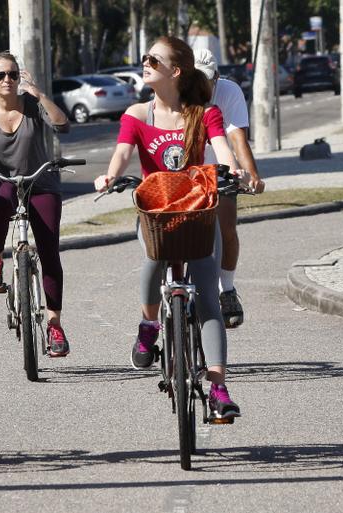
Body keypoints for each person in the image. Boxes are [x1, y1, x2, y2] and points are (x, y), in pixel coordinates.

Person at [93, 36, 247, 419]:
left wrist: (231, 171)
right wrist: (109, 177)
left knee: (208, 296)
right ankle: (149, 326)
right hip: (156, 214)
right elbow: (122, 154)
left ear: (175, 72)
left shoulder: (203, 112)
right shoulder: (137, 114)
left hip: (197, 211)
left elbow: (221, 149)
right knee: (151, 263)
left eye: (153, 60)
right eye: (145, 59)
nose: (144, 64)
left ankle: (218, 388)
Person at [0, 52, 72, 357]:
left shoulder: (33, 106)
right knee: (0, 201)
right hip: (3, 180)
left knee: (49, 252)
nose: (7, 80)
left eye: (13, 74)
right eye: (0, 76)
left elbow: (62, 125)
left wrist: (39, 94)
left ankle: (55, 325)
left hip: (41, 182)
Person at [194, 49, 266, 329]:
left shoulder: (228, 93)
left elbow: (236, 138)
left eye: (206, 81)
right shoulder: (174, 93)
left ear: (217, 78)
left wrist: (253, 177)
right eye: (193, 80)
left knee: (227, 228)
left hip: (222, 169)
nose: (200, 87)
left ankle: (227, 289)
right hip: (184, 173)